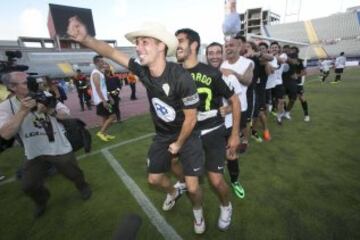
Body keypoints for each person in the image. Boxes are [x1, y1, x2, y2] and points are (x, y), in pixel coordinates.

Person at [67, 18, 205, 234]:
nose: (137, 47)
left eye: (144, 42)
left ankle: (198, 211)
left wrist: (178, 144)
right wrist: (85, 38)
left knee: (194, 187)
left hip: (187, 135)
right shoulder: (142, 70)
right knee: (155, 179)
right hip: (163, 135)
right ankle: (173, 192)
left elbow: (191, 119)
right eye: (137, 42)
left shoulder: (181, 77)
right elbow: (111, 52)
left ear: (161, 46)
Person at [174, 28, 241, 230]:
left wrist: (235, 134)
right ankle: (197, 212)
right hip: (188, 132)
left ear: (193, 45)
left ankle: (226, 206)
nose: (176, 45)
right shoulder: (174, 73)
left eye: (180, 41)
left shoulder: (211, 72)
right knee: (175, 166)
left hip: (212, 130)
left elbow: (235, 101)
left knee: (216, 180)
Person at [0, 72, 91, 218]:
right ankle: (42, 200)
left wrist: (50, 111)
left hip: (59, 147)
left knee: (74, 173)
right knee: (28, 185)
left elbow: (67, 116)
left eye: (29, 81)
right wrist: (23, 111)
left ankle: (83, 187)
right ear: (12, 87)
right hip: (34, 152)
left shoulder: (45, 96)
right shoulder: (6, 107)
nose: (29, 84)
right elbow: (5, 134)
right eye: (24, 83)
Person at [221, 35, 253, 199]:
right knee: (222, 148)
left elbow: (247, 81)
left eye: (232, 45)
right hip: (221, 111)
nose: (229, 48)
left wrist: (232, 72)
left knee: (232, 149)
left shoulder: (247, 63)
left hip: (238, 109)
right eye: (226, 45)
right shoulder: (221, 63)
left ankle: (235, 180)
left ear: (240, 46)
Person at [90, 55, 116, 141]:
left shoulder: (100, 73)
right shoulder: (96, 74)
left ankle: (104, 134)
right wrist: (104, 101)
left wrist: (109, 97)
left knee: (105, 117)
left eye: (103, 61)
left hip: (104, 98)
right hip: (101, 100)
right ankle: (101, 132)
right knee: (113, 116)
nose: (103, 63)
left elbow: (103, 88)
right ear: (96, 63)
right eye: (101, 61)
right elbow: (97, 88)